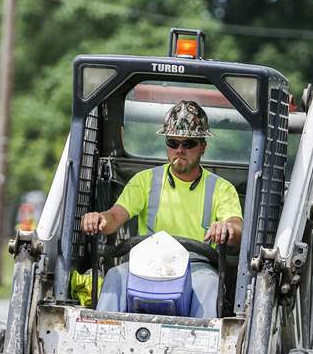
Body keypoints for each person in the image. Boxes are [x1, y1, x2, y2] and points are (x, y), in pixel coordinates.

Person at [80, 100, 243, 317]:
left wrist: (227, 229)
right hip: (146, 263)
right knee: (114, 276)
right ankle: (98, 338)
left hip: (197, 268)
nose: (180, 150)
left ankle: (200, 348)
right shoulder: (144, 181)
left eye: (189, 143)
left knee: (211, 285)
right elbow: (114, 216)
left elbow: (236, 227)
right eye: (173, 142)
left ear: (203, 146)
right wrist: (99, 219)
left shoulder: (222, 189)